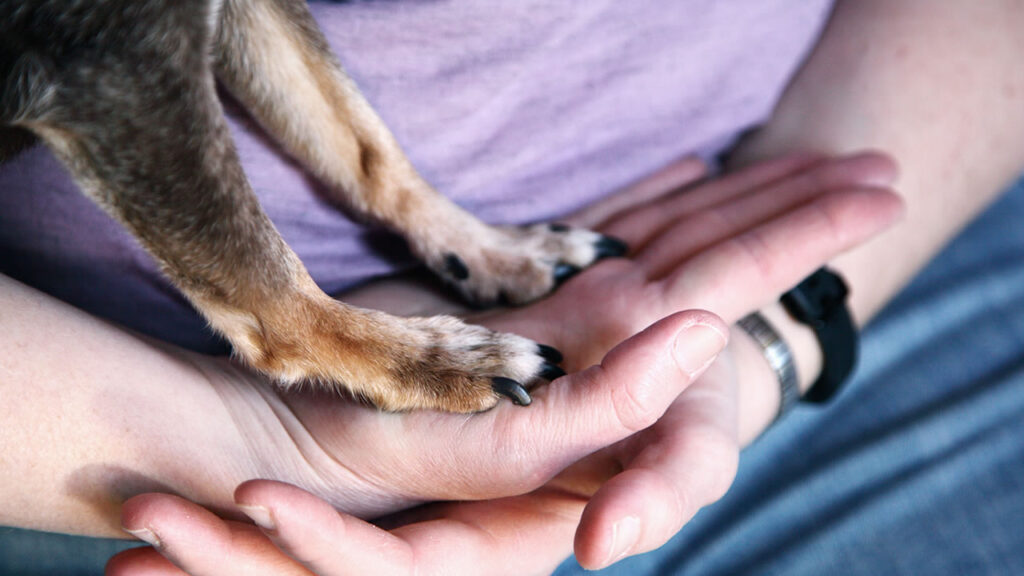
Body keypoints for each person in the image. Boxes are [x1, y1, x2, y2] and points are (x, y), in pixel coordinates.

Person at [2, 1, 1023, 575]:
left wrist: (775, 325)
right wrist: (261, 430)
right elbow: (107, 52)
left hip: (859, 208)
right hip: (123, 445)